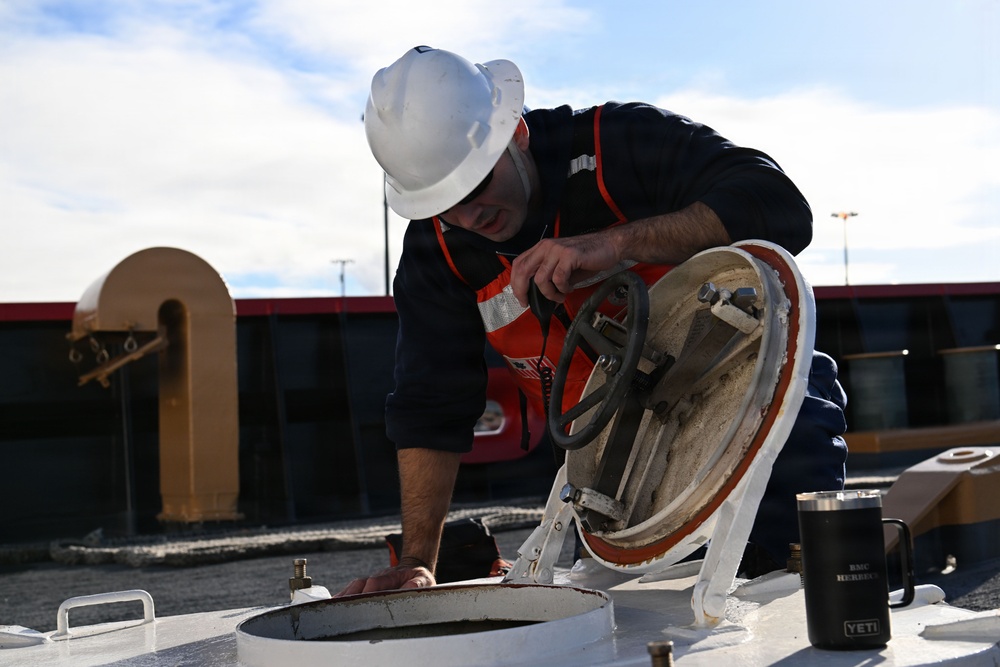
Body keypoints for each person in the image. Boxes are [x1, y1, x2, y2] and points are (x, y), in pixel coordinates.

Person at [337, 46, 847, 595]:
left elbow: (779, 206)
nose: (467, 217)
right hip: (617, 474)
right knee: (629, 629)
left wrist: (614, 243)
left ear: (517, 135)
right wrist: (418, 562)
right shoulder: (437, 251)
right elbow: (429, 404)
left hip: (760, 419)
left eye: (477, 185)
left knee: (796, 602)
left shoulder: (620, 145)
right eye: (444, 203)